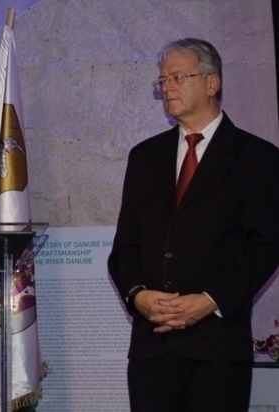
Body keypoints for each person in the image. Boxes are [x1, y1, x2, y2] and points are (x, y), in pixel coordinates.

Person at [108, 38, 279, 412]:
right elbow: (125, 248)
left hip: (218, 350)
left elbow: (265, 247)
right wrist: (139, 295)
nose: (166, 88)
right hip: (152, 349)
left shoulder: (257, 157)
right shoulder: (144, 157)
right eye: (162, 80)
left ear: (212, 83)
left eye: (177, 77)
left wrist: (209, 300)